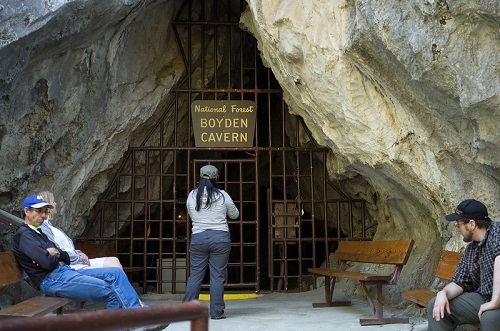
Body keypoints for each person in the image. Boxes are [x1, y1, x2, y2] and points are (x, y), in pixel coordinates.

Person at [428, 199, 500, 330]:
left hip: (496, 301)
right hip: (485, 298)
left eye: (458, 224)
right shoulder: (470, 250)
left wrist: (495, 301)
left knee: (489, 317)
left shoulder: (497, 232)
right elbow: (459, 282)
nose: (457, 229)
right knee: (436, 304)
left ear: (471, 224)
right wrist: (443, 293)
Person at [182, 165, 239, 320]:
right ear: (216, 178)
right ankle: (216, 312)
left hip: (199, 237)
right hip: (220, 238)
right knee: (217, 276)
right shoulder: (222, 195)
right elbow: (234, 215)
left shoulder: (192, 195)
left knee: (195, 275)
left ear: (200, 177)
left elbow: (191, 214)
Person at [38, 191, 122, 269]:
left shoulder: (53, 227)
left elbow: (67, 247)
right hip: (69, 265)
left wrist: (79, 252)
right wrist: (80, 258)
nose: (55, 204)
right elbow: (57, 251)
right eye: (53, 202)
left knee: (113, 261)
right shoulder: (43, 227)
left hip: (76, 260)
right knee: (113, 271)